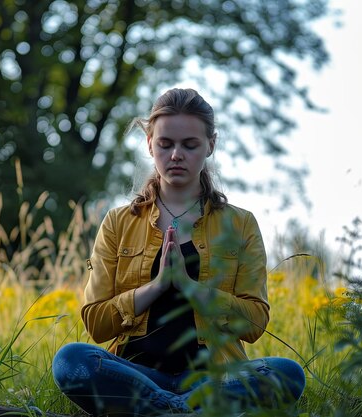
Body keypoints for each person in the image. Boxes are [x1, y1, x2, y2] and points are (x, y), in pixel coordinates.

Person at [52, 88, 306, 416]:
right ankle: (183, 411)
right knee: (70, 361)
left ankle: (161, 411)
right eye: (165, 144)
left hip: (212, 379)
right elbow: (96, 325)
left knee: (286, 373)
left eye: (190, 145)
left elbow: (255, 323)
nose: (176, 155)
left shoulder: (240, 224)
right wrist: (156, 286)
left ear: (210, 145)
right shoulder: (118, 222)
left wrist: (191, 288)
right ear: (149, 144)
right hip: (137, 377)